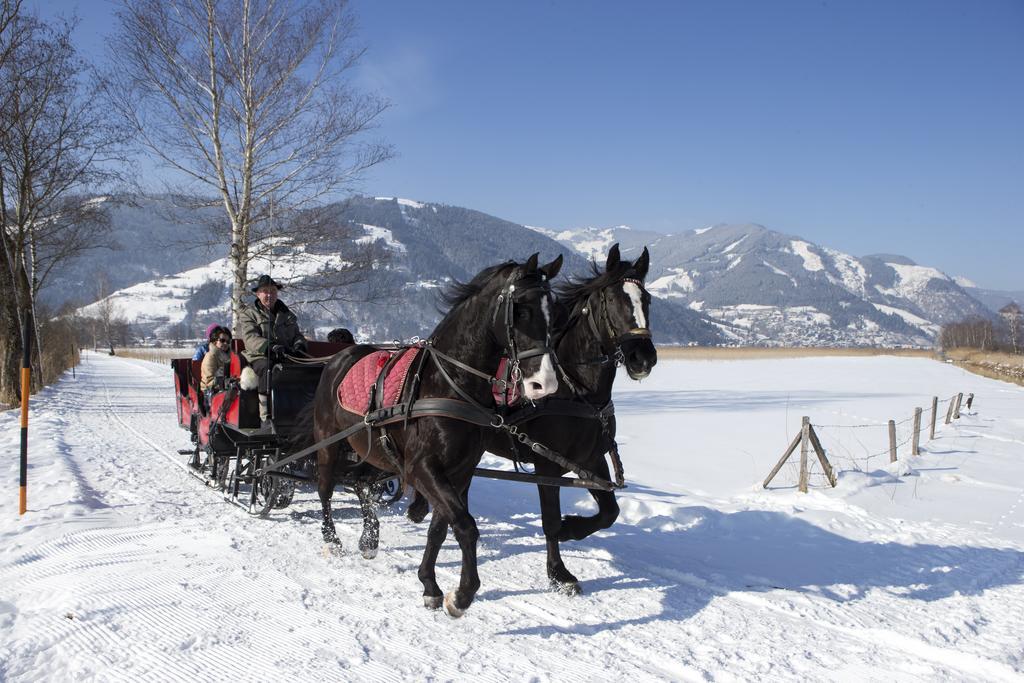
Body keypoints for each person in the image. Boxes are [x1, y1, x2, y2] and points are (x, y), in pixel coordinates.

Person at [237, 274, 308, 421]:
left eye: (273, 291)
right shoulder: (249, 314)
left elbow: (297, 334)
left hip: (286, 355)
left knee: (307, 368)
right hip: (259, 356)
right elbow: (250, 338)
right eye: (265, 291)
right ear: (258, 294)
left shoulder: (288, 315)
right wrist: (269, 347)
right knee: (266, 367)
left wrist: (299, 344)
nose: (269, 295)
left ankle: (302, 412)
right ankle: (265, 415)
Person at [200, 326, 232, 395]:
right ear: (214, 341)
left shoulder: (232, 356)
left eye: (228, 341)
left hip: (226, 389)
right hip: (210, 392)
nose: (226, 343)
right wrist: (225, 381)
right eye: (222, 340)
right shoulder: (210, 356)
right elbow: (209, 381)